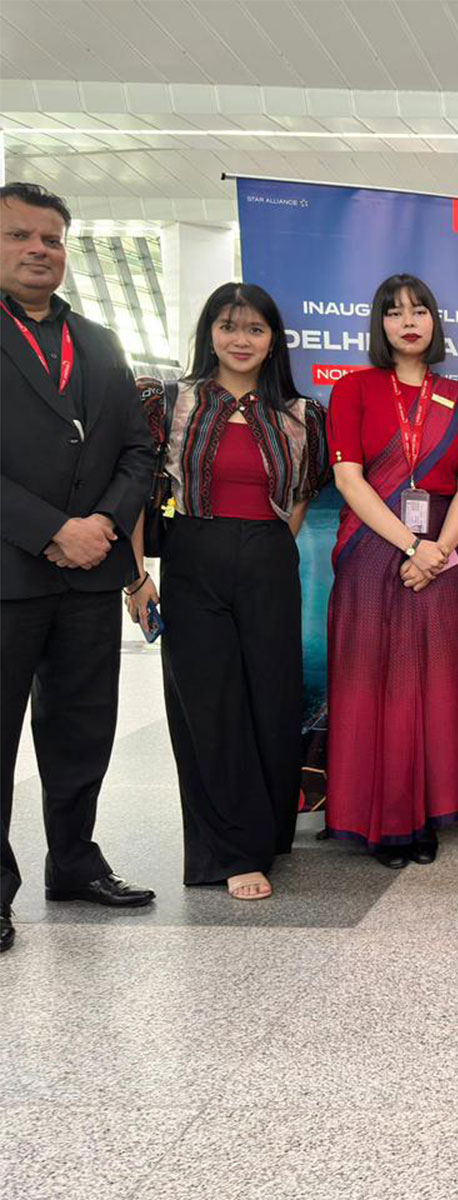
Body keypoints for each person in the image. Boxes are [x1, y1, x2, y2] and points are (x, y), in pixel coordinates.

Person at [125, 283, 329, 900]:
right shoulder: (169, 401)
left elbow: (299, 497)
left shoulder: (301, 413)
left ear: (274, 341)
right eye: (228, 326)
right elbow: (136, 490)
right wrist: (135, 577)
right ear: (208, 333)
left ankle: (264, 836)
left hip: (269, 557)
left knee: (272, 699)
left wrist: (269, 546)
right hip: (193, 555)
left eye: (255, 329)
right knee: (208, 707)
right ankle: (228, 852)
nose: (241, 340)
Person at [1, 181, 158, 950]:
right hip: (9, 571)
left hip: (89, 572)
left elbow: (137, 446)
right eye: (21, 236)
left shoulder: (98, 341)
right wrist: (50, 527)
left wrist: (99, 524)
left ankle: (74, 861)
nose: (39, 249)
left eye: (52, 238)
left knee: (81, 729)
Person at [324, 274, 458, 869]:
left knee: (437, 686)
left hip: (443, 552)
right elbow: (348, 479)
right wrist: (411, 546)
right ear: (380, 325)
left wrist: (436, 549)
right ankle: (384, 820)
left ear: (435, 322)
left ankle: (430, 812)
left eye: (420, 311)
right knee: (375, 684)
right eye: (394, 313)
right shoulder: (354, 389)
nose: (408, 322)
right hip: (372, 548)